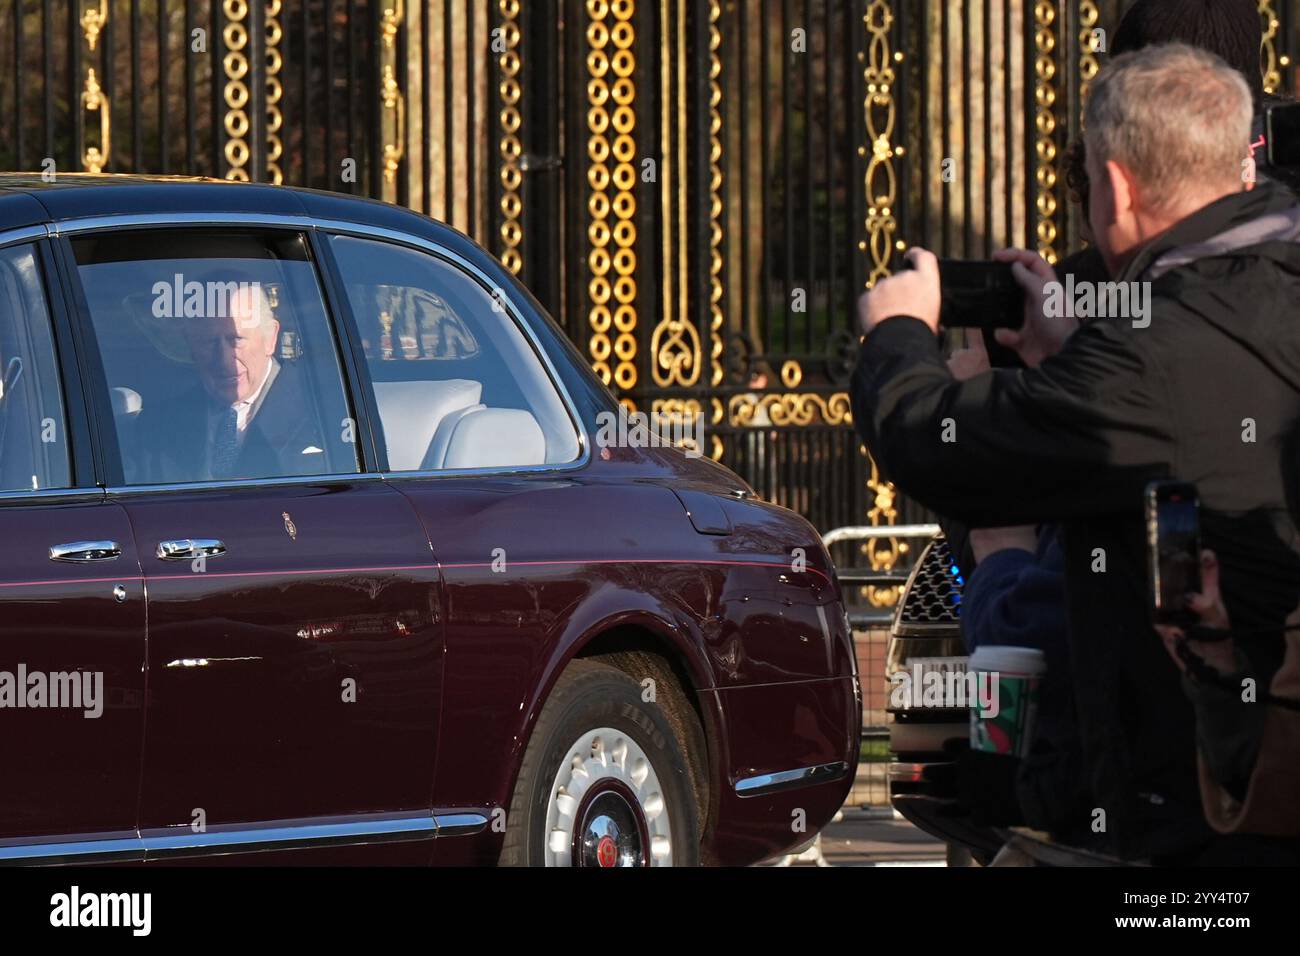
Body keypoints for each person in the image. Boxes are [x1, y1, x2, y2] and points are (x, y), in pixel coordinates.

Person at [852, 43, 1300, 863]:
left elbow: (931, 445)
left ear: (1118, 186)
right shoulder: (1265, 280)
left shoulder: (1150, 358)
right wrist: (1070, 352)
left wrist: (899, 332)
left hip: (1205, 806)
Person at [137, 279, 327, 483]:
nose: (224, 360)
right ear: (190, 344)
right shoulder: (158, 425)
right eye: (208, 342)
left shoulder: (323, 412)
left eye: (236, 340)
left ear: (270, 338)